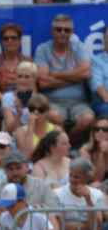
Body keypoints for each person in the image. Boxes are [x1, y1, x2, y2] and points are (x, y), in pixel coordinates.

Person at [34, 15, 94, 145]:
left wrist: (55, 74)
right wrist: (75, 78)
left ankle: (70, 140)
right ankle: (65, 146)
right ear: (52, 31)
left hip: (79, 102)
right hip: (53, 101)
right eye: (58, 29)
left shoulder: (78, 47)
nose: (62, 33)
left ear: (72, 32)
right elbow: (43, 82)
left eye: (67, 30)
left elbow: (87, 73)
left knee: (88, 118)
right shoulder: (43, 49)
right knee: (54, 116)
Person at [0, 24, 25, 104]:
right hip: (3, 103)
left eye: (13, 38)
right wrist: (9, 103)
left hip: (24, 103)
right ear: (2, 42)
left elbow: (32, 88)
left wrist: (23, 103)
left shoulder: (27, 61)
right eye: (5, 38)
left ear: (20, 40)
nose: (9, 41)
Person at [2, 60, 40, 133]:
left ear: (34, 79)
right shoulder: (7, 97)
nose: (22, 80)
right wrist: (19, 113)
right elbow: (10, 129)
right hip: (14, 135)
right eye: (20, 76)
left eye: (27, 77)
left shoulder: (38, 99)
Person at [14, 93, 54, 159]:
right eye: (32, 109)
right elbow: (26, 156)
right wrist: (30, 126)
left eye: (41, 109)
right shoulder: (20, 131)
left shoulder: (56, 130)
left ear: (48, 111)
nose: (36, 112)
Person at [81, 117, 108, 183]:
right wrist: (101, 153)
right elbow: (96, 179)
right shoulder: (86, 149)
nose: (100, 132)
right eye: (97, 129)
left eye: (105, 130)